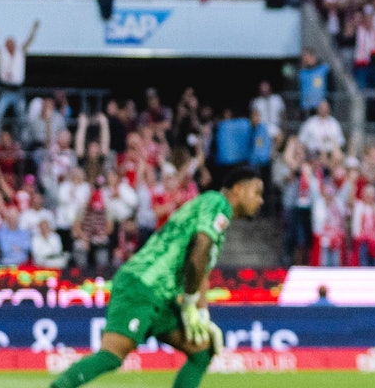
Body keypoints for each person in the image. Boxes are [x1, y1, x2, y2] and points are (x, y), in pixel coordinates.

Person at [49, 166, 265, 388]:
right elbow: (199, 253)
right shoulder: (217, 203)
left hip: (162, 295)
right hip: (142, 284)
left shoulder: (215, 218)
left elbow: (201, 270)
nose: (261, 201)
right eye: (257, 192)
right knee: (112, 354)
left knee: (202, 349)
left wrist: (201, 314)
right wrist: (190, 303)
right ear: (238, 189)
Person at [0, 20, 38, 146]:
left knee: (21, 117)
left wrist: (34, 30)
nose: (10, 45)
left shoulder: (20, 52)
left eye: (12, 43)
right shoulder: (2, 53)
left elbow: (28, 41)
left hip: (18, 90)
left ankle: (21, 141)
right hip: (6, 90)